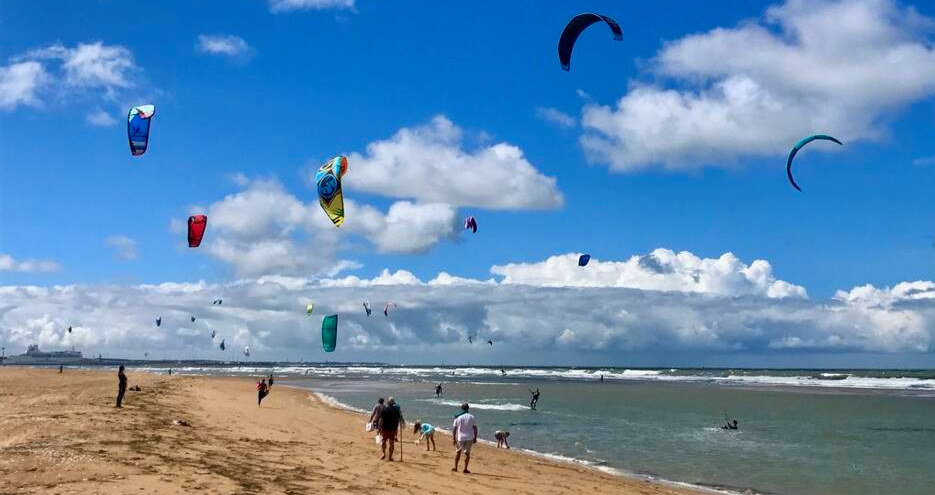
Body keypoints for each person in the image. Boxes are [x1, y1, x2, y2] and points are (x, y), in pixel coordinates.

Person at [452, 402, 477, 474]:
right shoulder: (472, 417)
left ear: (461, 408)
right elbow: (475, 428)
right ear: (468, 408)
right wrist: (475, 437)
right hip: (469, 437)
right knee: (467, 454)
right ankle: (465, 468)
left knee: (458, 453)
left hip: (460, 437)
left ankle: (456, 467)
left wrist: (453, 438)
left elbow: (454, 428)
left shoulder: (458, 417)